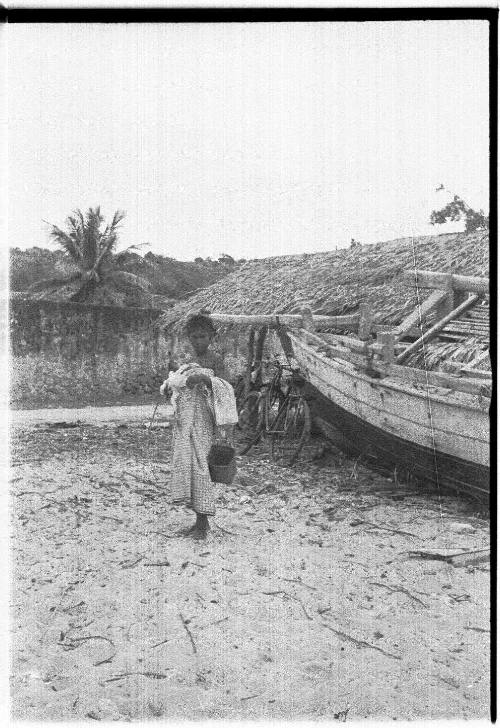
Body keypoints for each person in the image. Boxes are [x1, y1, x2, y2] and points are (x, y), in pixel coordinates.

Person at [161, 314, 237, 539]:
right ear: (189, 338)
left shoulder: (215, 361)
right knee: (187, 463)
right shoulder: (185, 360)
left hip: (204, 420)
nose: (198, 341)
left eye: (203, 336)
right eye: (194, 337)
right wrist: (169, 388)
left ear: (211, 337)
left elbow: (227, 387)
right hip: (184, 420)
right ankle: (196, 519)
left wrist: (206, 379)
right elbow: (174, 385)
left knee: (201, 464)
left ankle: (203, 524)